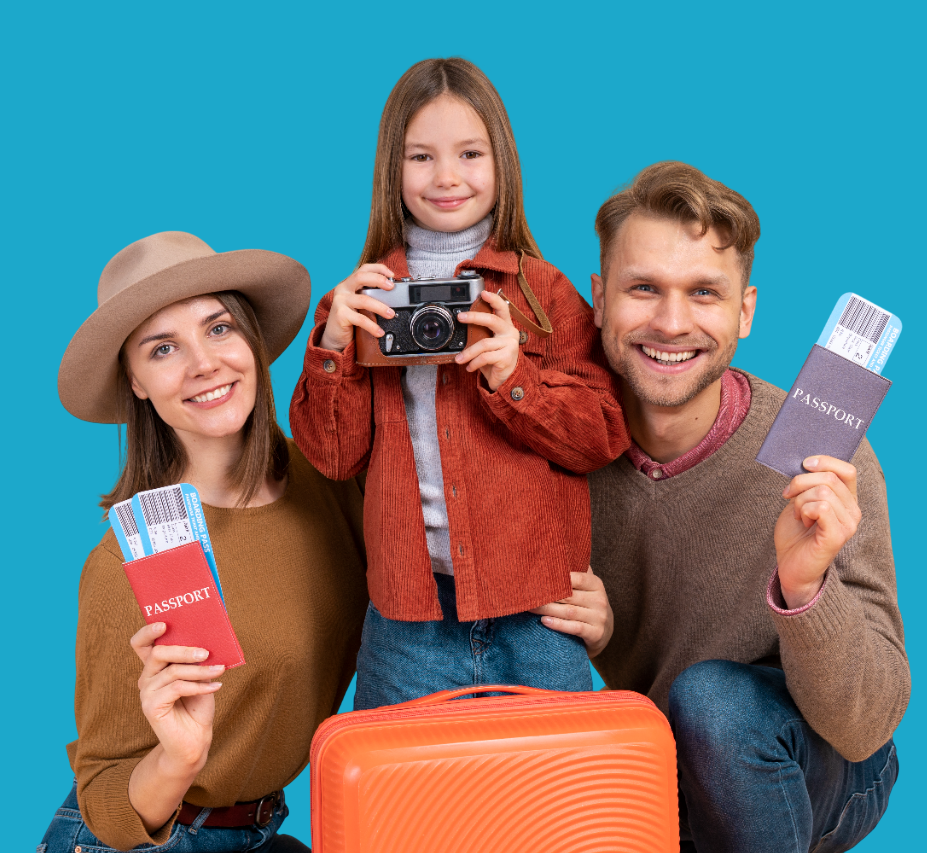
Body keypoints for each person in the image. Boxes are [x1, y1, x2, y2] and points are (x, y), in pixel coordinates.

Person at [585, 162, 907, 853]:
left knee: (716, 703)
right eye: (644, 288)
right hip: (667, 764)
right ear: (600, 299)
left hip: (821, 757)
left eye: (704, 293)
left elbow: (868, 725)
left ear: (745, 311)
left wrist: (806, 585)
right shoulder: (564, 445)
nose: (671, 323)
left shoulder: (826, 456)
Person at [289, 58, 627, 709]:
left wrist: (513, 375)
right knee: (406, 802)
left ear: (502, 161)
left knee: (549, 797)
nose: (447, 177)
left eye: (470, 153)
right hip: (408, 615)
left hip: (537, 607)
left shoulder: (543, 291)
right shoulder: (363, 300)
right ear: (392, 169)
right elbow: (333, 457)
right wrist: (335, 346)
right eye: (421, 157)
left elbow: (603, 435)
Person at [41, 230, 368, 852]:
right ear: (135, 382)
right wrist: (180, 759)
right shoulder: (125, 565)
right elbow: (105, 794)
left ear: (251, 340)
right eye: (163, 349)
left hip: (269, 829)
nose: (203, 364)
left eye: (219, 329)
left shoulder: (328, 484)